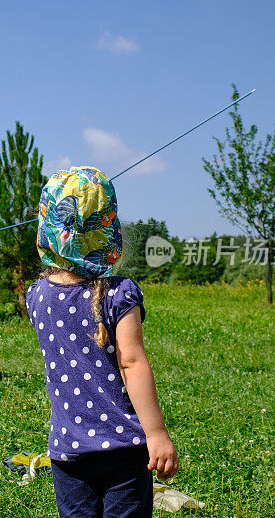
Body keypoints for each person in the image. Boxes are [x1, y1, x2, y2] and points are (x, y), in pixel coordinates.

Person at [26, 166, 178, 517]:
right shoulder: (119, 293)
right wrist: (156, 434)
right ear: (108, 229)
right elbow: (132, 363)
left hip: (67, 449)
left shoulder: (37, 295)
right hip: (124, 447)